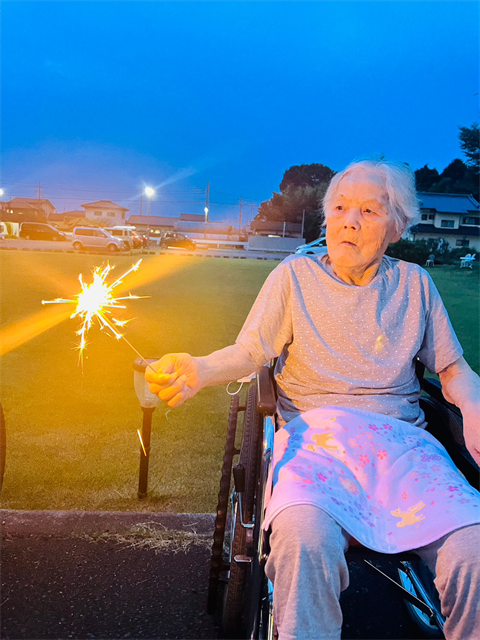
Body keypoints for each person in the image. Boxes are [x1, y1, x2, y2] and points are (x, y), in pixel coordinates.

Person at [146, 160, 480, 640]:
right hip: (317, 442)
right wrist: (198, 369)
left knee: (474, 547)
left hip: (403, 448)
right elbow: (250, 351)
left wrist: (472, 406)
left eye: (369, 210)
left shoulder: (414, 285)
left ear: (397, 226)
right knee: (303, 540)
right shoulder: (294, 277)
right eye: (340, 208)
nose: (350, 220)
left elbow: (453, 369)